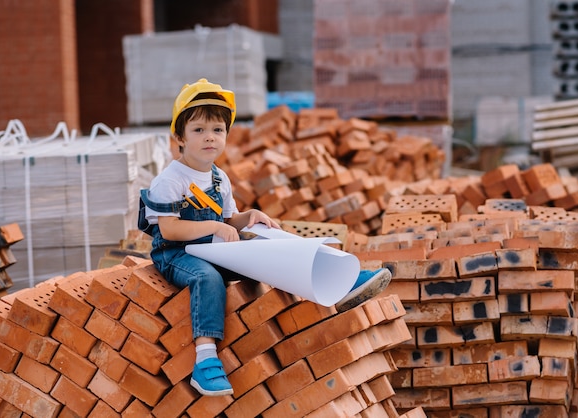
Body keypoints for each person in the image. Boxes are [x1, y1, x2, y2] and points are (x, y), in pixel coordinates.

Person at [139, 79, 392, 397]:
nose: (209, 138)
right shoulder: (170, 180)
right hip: (177, 255)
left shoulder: (219, 178)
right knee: (207, 279)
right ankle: (205, 361)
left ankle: (342, 281)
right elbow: (170, 230)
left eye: (217, 130)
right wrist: (215, 229)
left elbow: (229, 220)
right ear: (179, 136)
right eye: (199, 130)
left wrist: (250, 218)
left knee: (270, 249)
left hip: (214, 248)